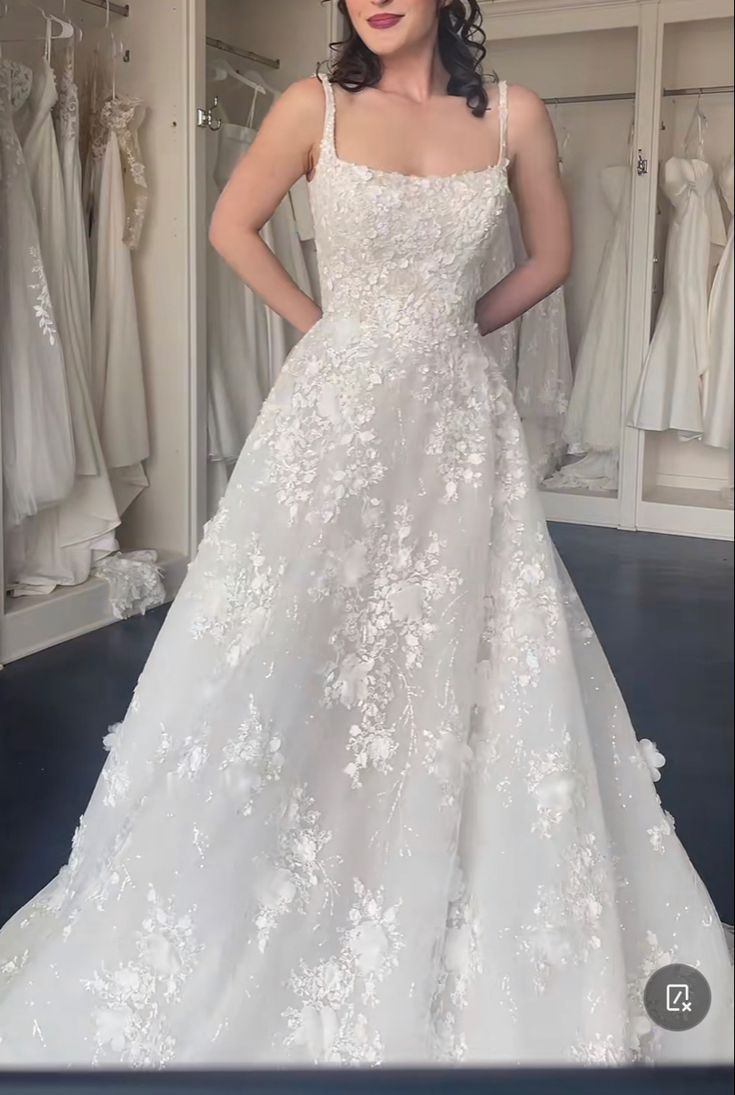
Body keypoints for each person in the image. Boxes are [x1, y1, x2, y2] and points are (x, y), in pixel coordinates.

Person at [0, 0, 732, 1069]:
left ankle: (432, 866)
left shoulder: (520, 117)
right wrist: (326, 330)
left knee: (454, 644)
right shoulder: (312, 108)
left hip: (453, 428)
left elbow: (556, 258)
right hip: (332, 415)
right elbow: (228, 228)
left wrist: (450, 330)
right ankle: (298, 869)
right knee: (297, 642)